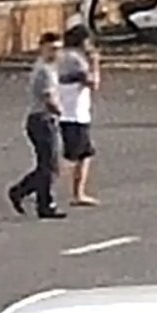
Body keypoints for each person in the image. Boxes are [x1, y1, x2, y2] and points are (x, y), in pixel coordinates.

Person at [8, 32, 66, 219]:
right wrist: (61, 112)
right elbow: (49, 98)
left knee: (47, 165)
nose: (55, 53)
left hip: (43, 120)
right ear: (42, 48)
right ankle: (25, 193)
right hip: (42, 120)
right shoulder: (44, 71)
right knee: (50, 166)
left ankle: (40, 201)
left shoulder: (49, 68)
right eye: (52, 49)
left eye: (58, 49)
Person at [58, 25, 99, 206]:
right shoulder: (76, 60)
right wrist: (95, 63)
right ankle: (39, 184)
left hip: (72, 112)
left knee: (84, 153)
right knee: (72, 157)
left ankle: (79, 193)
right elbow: (93, 83)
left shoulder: (62, 57)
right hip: (73, 113)